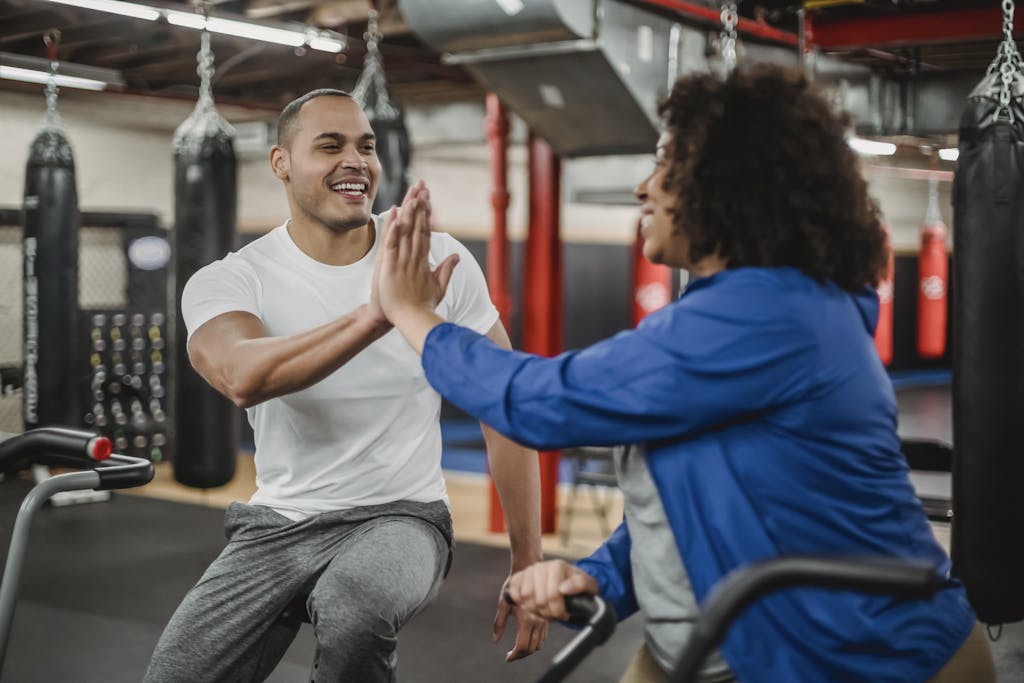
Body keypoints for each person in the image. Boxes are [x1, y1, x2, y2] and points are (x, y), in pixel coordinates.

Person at [374, 65, 996, 683]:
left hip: (862, 660)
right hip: (720, 646)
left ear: (728, 188)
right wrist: (600, 578)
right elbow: (683, 500)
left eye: (666, 169)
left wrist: (414, 315)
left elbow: (540, 402)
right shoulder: (741, 313)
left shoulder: (769, 315)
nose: (644, 189)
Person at [144, 89, 546, 682]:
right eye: (329, 145)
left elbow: (504, 406)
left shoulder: (432, 258)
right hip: (277, 523)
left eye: (366, 145)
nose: (355, 160)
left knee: (353, 607)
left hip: (402, 517)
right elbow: (241, 374)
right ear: (281, 162)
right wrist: (380, 315)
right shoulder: (233, 278)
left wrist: (528, 560)